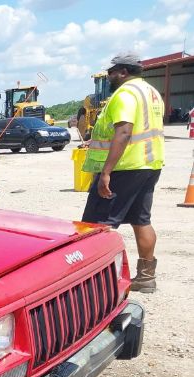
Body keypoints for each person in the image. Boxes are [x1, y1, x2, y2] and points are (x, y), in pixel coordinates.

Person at [82, 52, 164, 292]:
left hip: (124, 167)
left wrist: (106, 172)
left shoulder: (125, 94)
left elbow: (124, 131)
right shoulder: (151, 92)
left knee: (95, 225)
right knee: (141, 220)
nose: (109, 77)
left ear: (123, 72)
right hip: (149, 164)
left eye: (111, 72)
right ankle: (146, 277)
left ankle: (95, 283)